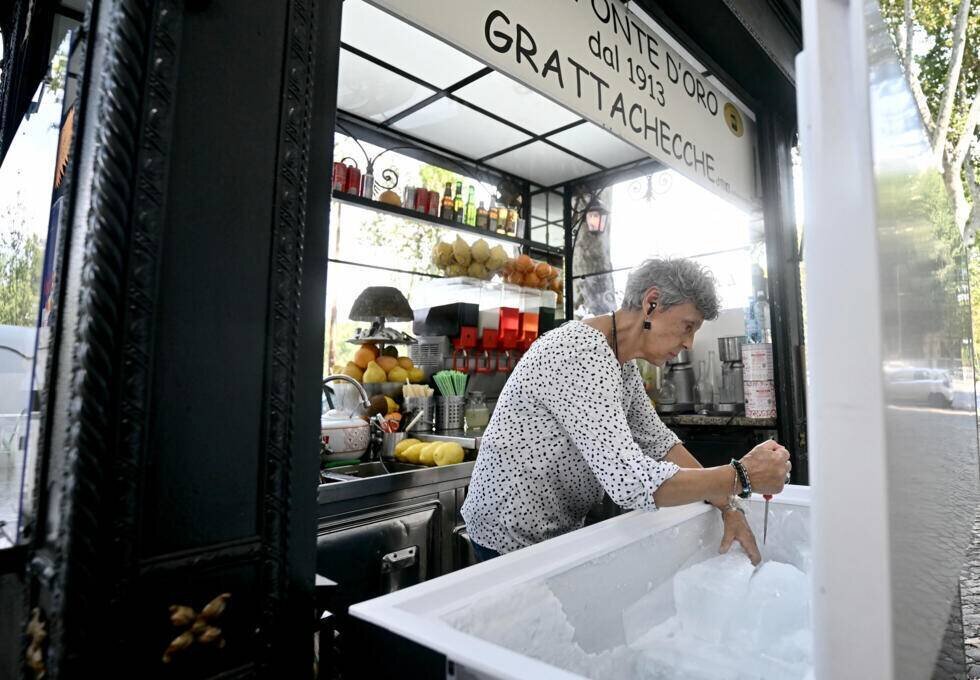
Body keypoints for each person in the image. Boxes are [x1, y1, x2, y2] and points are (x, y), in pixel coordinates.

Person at [461, 258, 790, 564]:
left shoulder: (622, 365)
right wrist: (740, 475)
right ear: (652, 303)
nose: (689, 343)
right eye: (687, 326)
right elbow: (629, 481)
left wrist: (727, 503)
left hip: (552, 531)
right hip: (508, 533)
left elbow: (660, 444)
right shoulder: (580, 352)